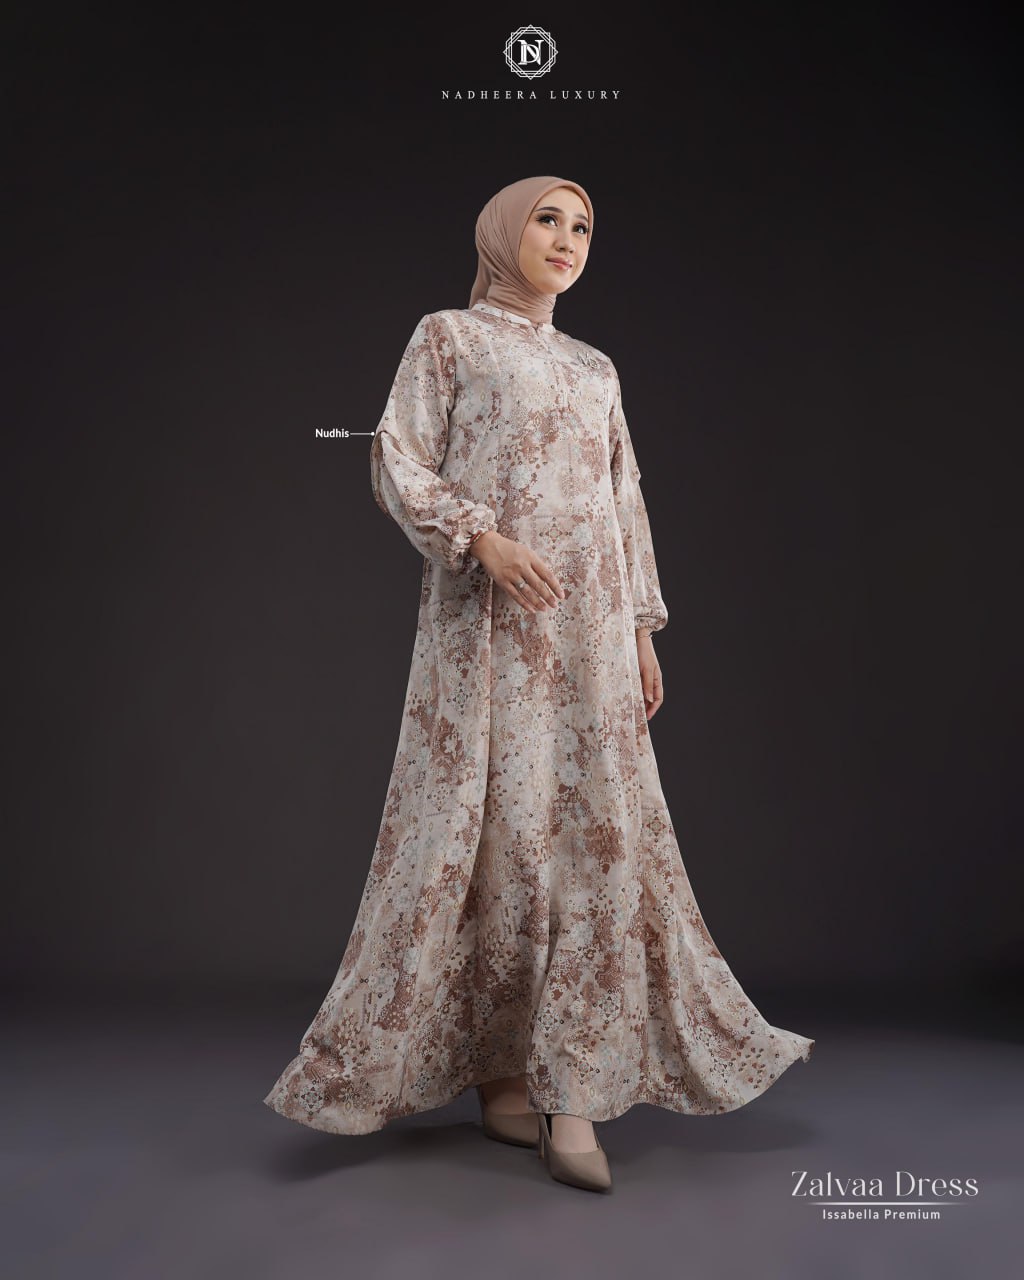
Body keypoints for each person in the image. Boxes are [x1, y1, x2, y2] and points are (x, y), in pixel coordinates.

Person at [263, 175, 815, 1193]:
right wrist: (480, 537)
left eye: (583, 226)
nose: (567, 239)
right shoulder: (448, 338)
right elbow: (395, 458)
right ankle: (505, 1076)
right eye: (547, 220)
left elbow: (622, 499)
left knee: (593, 835)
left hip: (591, 634)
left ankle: (578, 1089)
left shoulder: (596, 367)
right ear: (502, 233)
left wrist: (641, 628)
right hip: (486, 629)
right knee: (497, 834)